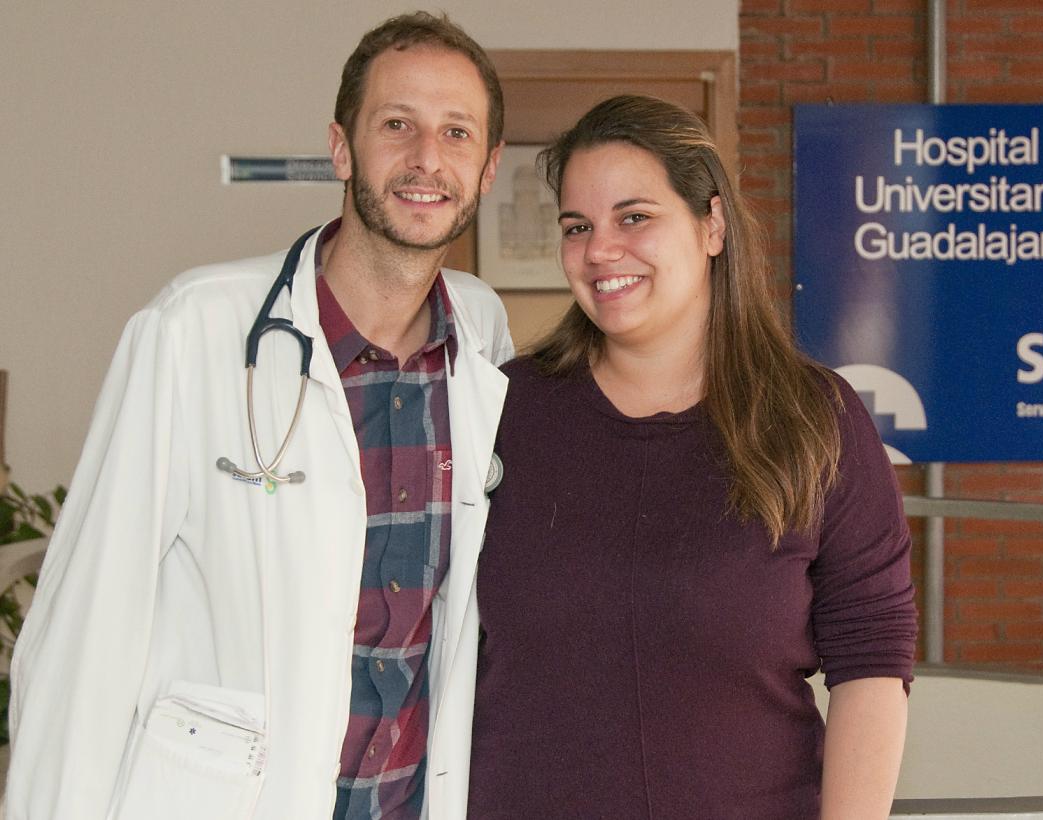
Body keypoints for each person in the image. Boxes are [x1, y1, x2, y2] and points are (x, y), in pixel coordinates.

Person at [8, 12, 511, 820]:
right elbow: (82, 635)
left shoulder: (480, 336)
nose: (427, 157)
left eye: (456, 132)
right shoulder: (192, 328)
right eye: (396, 124)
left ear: (487, 169)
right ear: (341, 148)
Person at [468, 95, 917, 820]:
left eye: (634, 217)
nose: (599, 250)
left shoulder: (812, 420)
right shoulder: (503, 411)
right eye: (577, 227)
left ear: (712, 224)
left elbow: (871, 659)